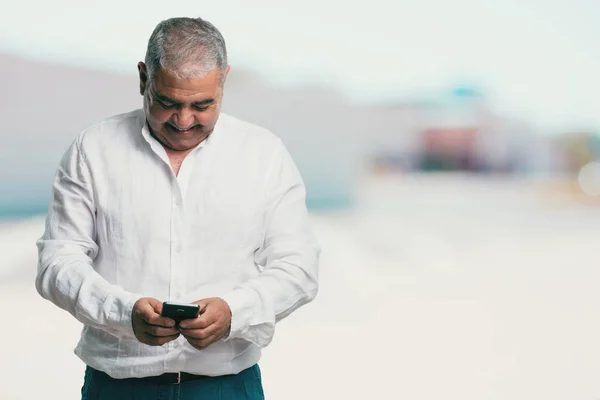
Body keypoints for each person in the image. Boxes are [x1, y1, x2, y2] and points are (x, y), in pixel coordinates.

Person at [35, 16, 320, 400]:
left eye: (202, 105)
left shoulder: (264, 155)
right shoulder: (93, 150)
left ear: (224, 80)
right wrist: (124, 312)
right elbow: (57, 263)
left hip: (228, 387)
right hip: (117, 388)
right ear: (142, 79)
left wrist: (236, 311)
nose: (184, 121)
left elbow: (299, 268)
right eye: (167, 103)